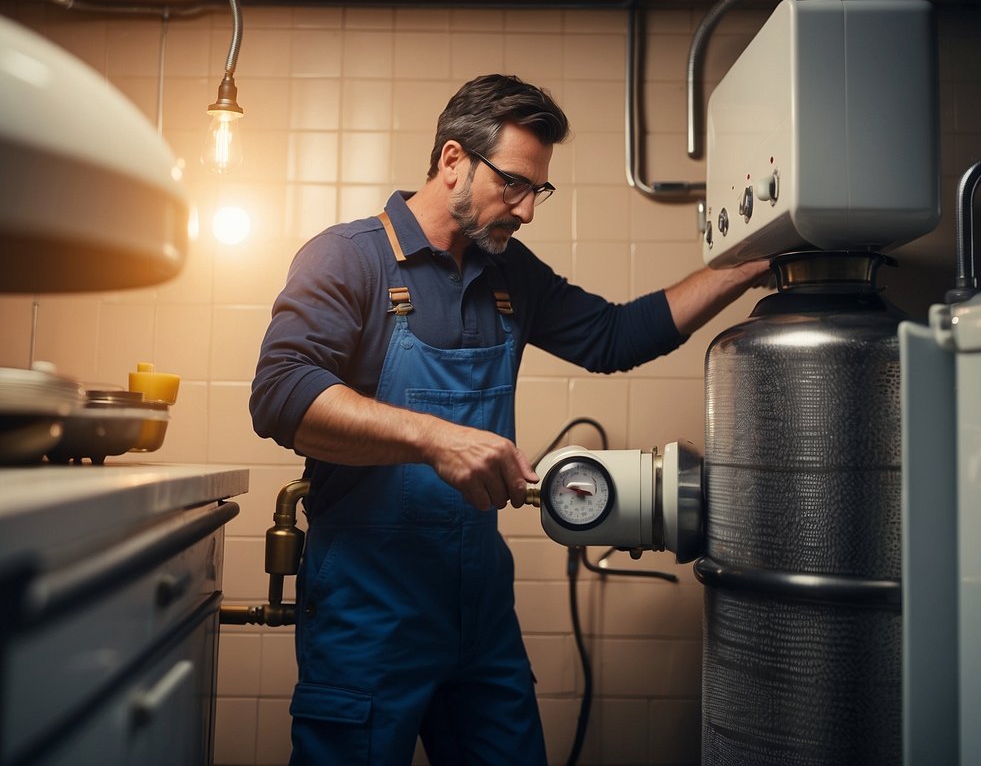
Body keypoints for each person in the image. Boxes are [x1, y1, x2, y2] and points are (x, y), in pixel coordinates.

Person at [250, 73, 767, 765]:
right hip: (368, 609)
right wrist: (434, 437)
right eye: (514, 186)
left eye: (537, 192)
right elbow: (281, 395)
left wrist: (742, 266)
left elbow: (615, 338)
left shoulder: (507, 274)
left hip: (478, 612)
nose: (525, 212)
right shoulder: (349, 257)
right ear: (453, 160)